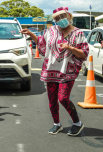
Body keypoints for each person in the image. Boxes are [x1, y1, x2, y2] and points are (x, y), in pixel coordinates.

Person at [21, 7, 89, 136]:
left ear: (68, 16)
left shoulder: (78, 33)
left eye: (62, 17)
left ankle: (77, 123)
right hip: (51, 70)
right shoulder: (50, 31)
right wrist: (31, 34)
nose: (60, 20)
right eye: (57, 18)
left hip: (67, 70)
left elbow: (83, 54)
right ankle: (56, 124)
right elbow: (41, 45)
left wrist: (70, 47)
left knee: (63, 98)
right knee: (52, 99)